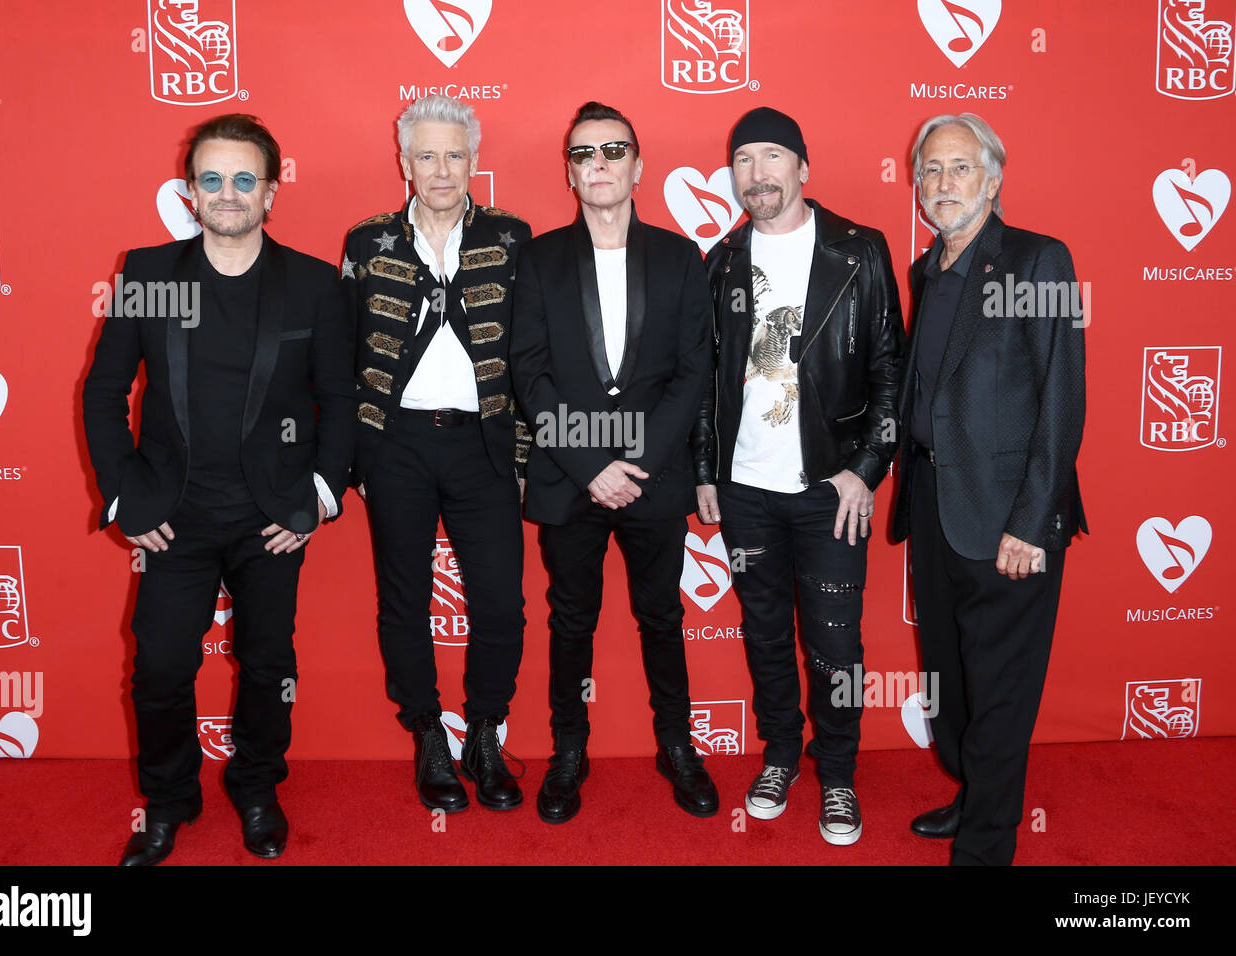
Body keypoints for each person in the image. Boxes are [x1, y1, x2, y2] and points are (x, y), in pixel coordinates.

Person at [83, 113, 355, 865]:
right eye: (212, 179)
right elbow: (103, 393)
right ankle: (170, 798)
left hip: (272, 517)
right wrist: (123, 499)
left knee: (270, 663)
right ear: (190, 191)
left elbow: (341, 398)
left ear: (270, 190)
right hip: (174, 517)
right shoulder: (147, 274)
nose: (227, 193)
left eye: (244, 179)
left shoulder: (312, 284)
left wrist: (318, 497)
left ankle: (258, 786)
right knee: (162, 666)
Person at [692, 107, 904, 845]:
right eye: (744, 160)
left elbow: (889, 374)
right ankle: (782, 754)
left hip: (829, 492)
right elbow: (701, 381)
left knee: (837, 645)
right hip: (746, 492)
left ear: (803, 168)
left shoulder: (859, 251)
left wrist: (865, 470)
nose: (759, 174)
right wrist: (705, 469)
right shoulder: (718, 262)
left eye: (772, 157)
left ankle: (838, 773)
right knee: (765, 637)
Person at [510, 101, 716, 824]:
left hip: (654, 481)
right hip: (571, 481)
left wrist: (639, 461)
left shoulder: (679, 256)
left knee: (662, 616)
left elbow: (694, 371)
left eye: (612, 150)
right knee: (571, 621)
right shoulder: (535, 259)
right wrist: (591, 463)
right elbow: (529, 373)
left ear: (638, 164)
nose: (597, 163)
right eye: (582, 153)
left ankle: (676, 745)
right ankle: (570, 749)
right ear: (568, 171)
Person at [892, 112, 1086, 865]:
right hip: (938, 513)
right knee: (952, 684)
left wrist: (1032, 525)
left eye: (960, 168)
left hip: (1009, 521)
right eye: (931, 171)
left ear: (994, 180)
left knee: (1001, 696)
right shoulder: (927, 271)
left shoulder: (1039, 262)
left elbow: (1061, 401)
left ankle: (986, 846)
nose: (943, 185)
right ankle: (974, 793)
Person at [341, 95, 531, 813]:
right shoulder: (366, 243)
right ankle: (426, 735)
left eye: (455, 154)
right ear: (404, 163)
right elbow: (344, 353)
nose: (442, 169)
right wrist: (356, 455)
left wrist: (522, 454)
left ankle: (484, 733)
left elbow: (531, 354)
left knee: (499, 603)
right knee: (403, 600)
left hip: (484, 442)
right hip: (397, 445)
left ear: (475, 160)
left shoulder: (515, 239)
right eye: (427, 154)